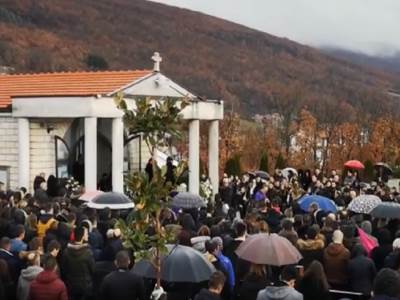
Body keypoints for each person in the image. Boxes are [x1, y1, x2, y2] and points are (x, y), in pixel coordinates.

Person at [61, 226, 94, 300]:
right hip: (85, 285)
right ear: (82, 237)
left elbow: (63, 269)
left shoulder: (66, 252)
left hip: (71, 284)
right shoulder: (88, 252)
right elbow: (93, 269)